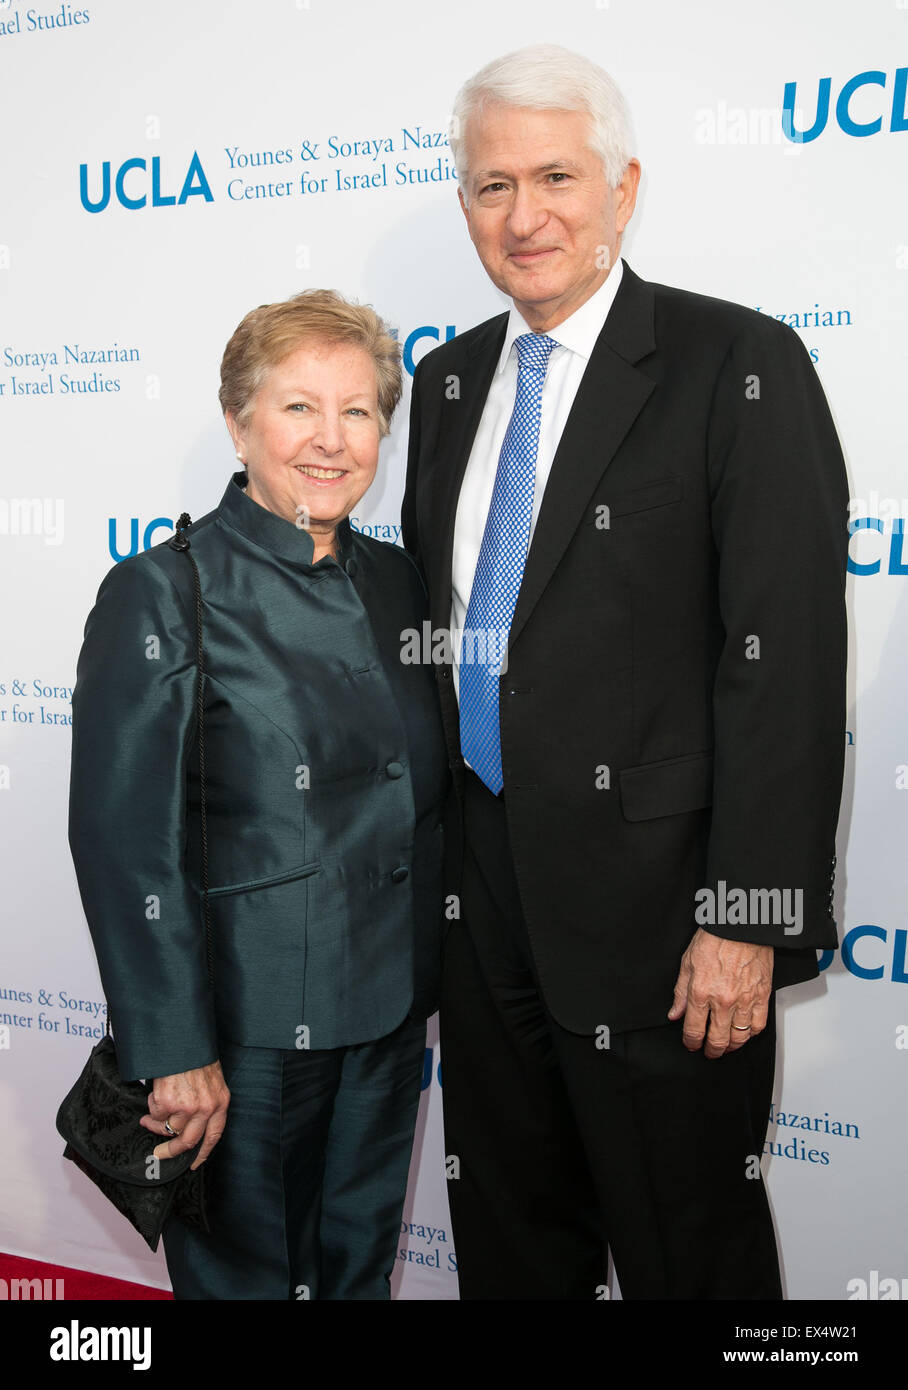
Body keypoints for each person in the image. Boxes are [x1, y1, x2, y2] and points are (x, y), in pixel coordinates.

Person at [402, 44, 848, 1299]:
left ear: (624, 188)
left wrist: (744, 918)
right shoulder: (441, 386)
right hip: (480, 910)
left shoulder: (733, 366)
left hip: (666, 926)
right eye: (491, 185)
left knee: (687, 1257)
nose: (523, 214)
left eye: (555, 175)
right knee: (510, 1244)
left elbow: (788, 662)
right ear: (464, 208)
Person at [69, 288, 448, 1300]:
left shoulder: (401, 583)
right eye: (297, 408)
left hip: (387, 1015)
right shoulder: (164, 590)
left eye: (358, 411)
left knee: (355, 1272)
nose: (330, 440)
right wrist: (173, 1050)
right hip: (243, 1035)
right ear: (239, 422)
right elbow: (125, 845)